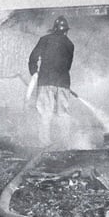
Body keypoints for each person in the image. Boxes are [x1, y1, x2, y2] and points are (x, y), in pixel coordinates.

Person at [27, 16, 74, 144]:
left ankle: (45, 144)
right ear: (66, 31)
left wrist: (34, 72)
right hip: (63, 83)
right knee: (63, 114)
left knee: (45, 112)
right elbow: (68, 66)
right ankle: (64, 143)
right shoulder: (70, 44)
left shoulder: (44, 40)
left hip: (46, 81)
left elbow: (33, 58)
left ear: (53, 29)